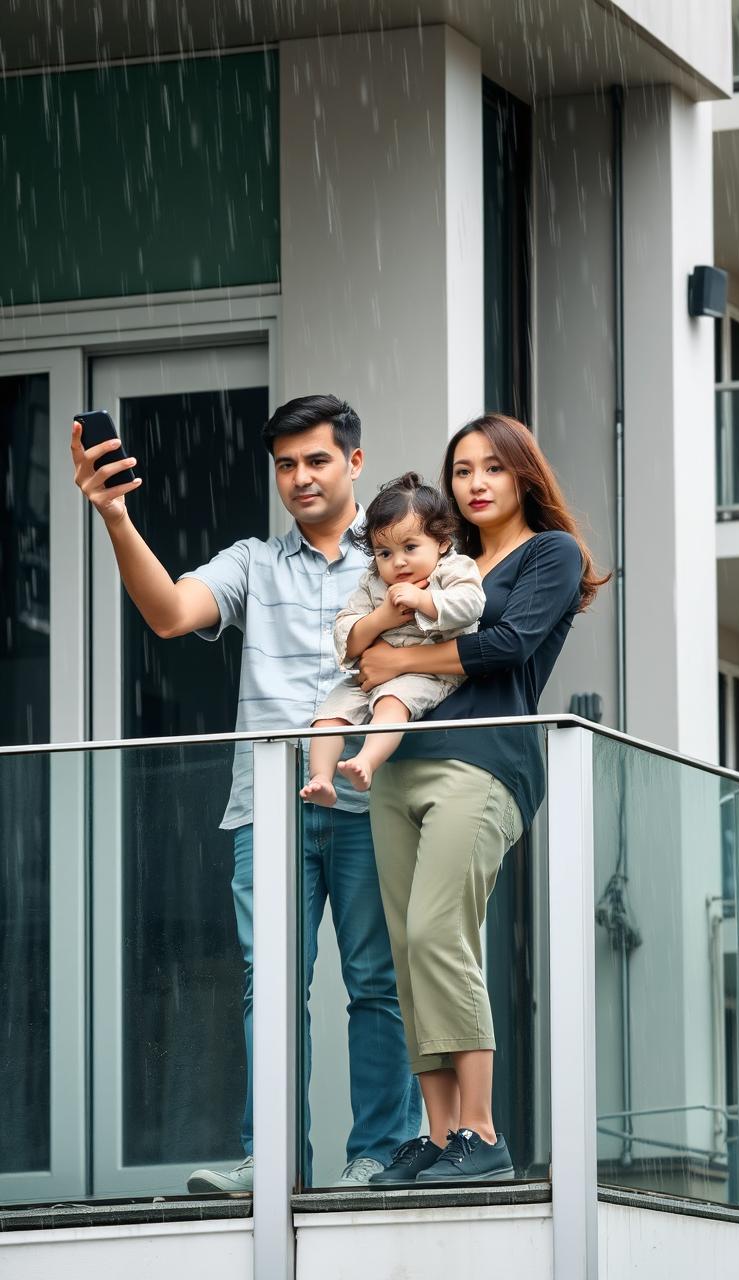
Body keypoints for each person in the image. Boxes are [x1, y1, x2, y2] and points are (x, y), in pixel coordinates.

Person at [71, 394, 421, 1191]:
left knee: (378, 982)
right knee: (271, 984)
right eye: (286, 465)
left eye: (317, 460)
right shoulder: (253, 562)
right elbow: (168, 614)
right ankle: (270, 1163)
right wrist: (117, 518)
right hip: (268, 808)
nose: (300, 477)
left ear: (355, 463)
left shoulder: (404, 552)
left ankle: (381, 1156)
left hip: (377, 798)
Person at [357, 413, 608, 1186]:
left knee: (439, 932)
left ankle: (483, 1132)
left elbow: (509, 647)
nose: (474, 483)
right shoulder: (442, 556)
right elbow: (364, 641)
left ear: (523, 475)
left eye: (491, 468)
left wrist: (396, 658)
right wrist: (375, 651)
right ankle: (439, 1138)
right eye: (462, 470)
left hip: (484, 762)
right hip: (398, 762)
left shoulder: (551, 553)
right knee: (407, 952)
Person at [301, 472, 485, 805]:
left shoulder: (453, 569)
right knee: (328, 714)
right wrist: (380, 618)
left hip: (427, 674)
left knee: (392, 703)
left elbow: (472, 604)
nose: (397, 562)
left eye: (410, 548)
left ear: (442, 542)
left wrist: (425, 601)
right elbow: (345, 630)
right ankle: (321, 779)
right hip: (369, 677)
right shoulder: (372, 583)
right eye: (384, 553)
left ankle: (366, 762)